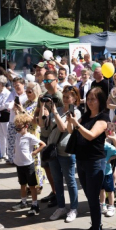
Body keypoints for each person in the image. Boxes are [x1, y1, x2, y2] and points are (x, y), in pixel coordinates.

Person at [66, 87, 109, 230]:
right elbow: (73, 132)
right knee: (90, 196)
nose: (90, 102)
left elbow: (91, 135)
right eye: (88, 98)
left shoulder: (103, 118)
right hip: (82, 160)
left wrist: (76, 124)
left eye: (94, 99)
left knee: (93, 198)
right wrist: (72, 123)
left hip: (94, 162)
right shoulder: (85, 115)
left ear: (100, 100)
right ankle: (95, 226)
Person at [47, 86, 81, 222]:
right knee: (57, 180)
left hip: (66, 152)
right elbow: (47, 126)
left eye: (68, 97)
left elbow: (65, 128)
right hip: (53, 151)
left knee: (70, 180)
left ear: (75, 98)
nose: (65, 99)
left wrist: (54, 112)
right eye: (64, 96)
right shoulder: (59, 110)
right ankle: (61, 207)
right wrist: (44, 109)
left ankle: (73, 208)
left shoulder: (75, 113)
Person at [12, 113, 46, 215]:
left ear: (26, 126)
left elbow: (43, 144)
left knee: (32, 186)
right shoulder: (17, 135)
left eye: (19, 128)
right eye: (16, 128)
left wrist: (35, 152)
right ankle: (23, 202)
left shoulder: (29, 137)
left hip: (28, 165)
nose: (17, 130)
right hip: (19, 164)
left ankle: (35, 205)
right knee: (22, 184)